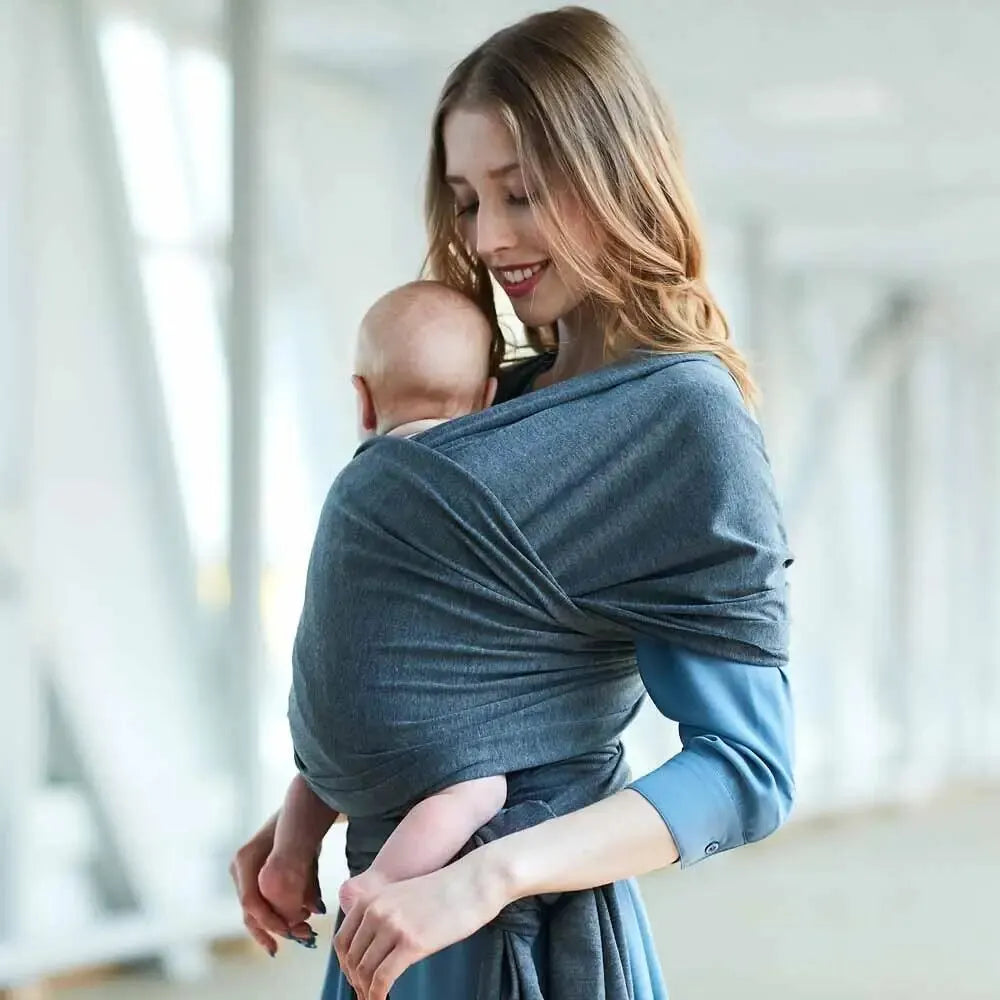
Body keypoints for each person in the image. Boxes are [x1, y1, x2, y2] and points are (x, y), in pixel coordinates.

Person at [229, 8, 796, 1000]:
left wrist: (485, 878)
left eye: (521, 195)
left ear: (615, 177)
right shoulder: (492, 390)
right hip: (392, 919)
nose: (488, 239)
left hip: (517, 930)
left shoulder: (682, 420)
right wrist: (310, 811)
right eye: (463, 201)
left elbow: (746, 772)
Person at [272, 280, 508, 924]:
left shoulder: (354, 486)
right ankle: (380, 882)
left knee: (322, 772)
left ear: (364, 401)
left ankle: (288, 854)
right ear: (489, 400)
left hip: (321, 732)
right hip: (416, 738)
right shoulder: (480, 488)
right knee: (479, 786)